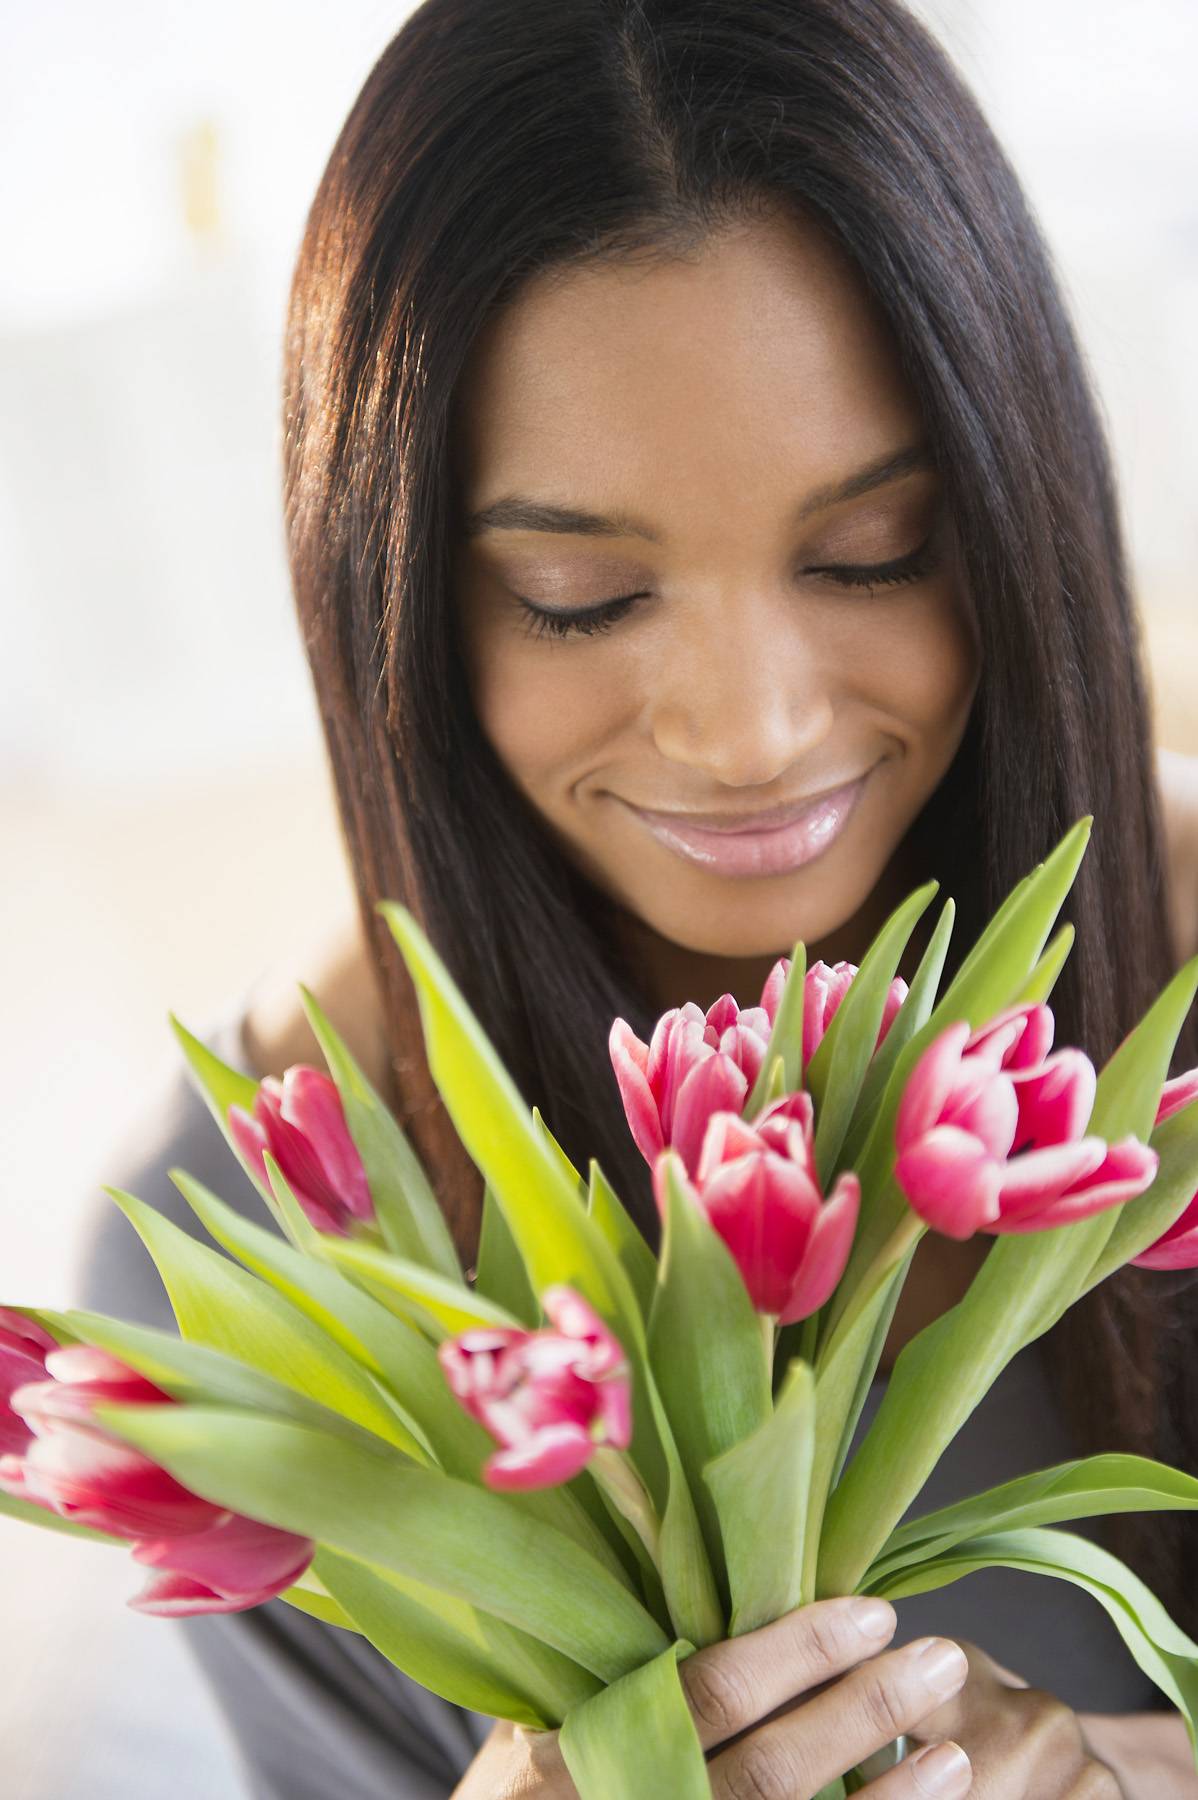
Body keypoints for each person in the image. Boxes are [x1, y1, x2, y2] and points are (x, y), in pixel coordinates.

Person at [75, 0, 1198, 1793]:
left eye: (872, 554)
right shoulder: (240, 1274)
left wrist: (1134, 1772)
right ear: (398, 613)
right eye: (579, 593)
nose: (750, 733)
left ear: (1018, 505)